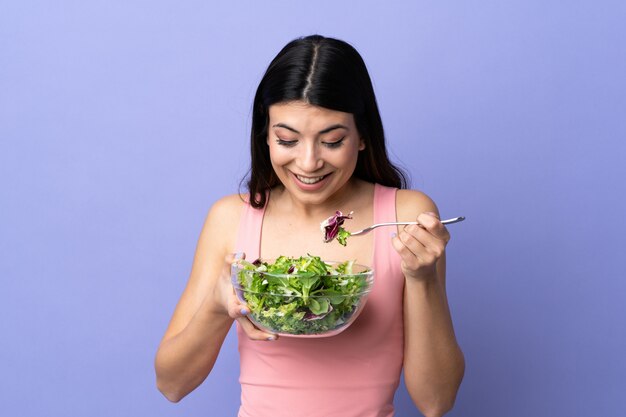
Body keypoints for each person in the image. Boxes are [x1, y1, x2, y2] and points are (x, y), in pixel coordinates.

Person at [154, 34, 465, 417]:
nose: (308, 162)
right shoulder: (231, 218)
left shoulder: (405, 217)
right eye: (287, 140)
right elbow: (171, 384)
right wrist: (218, 309)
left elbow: (436, 402)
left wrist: (423, 278)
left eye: (332, 141)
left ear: (363, 137)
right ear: (265, 136)